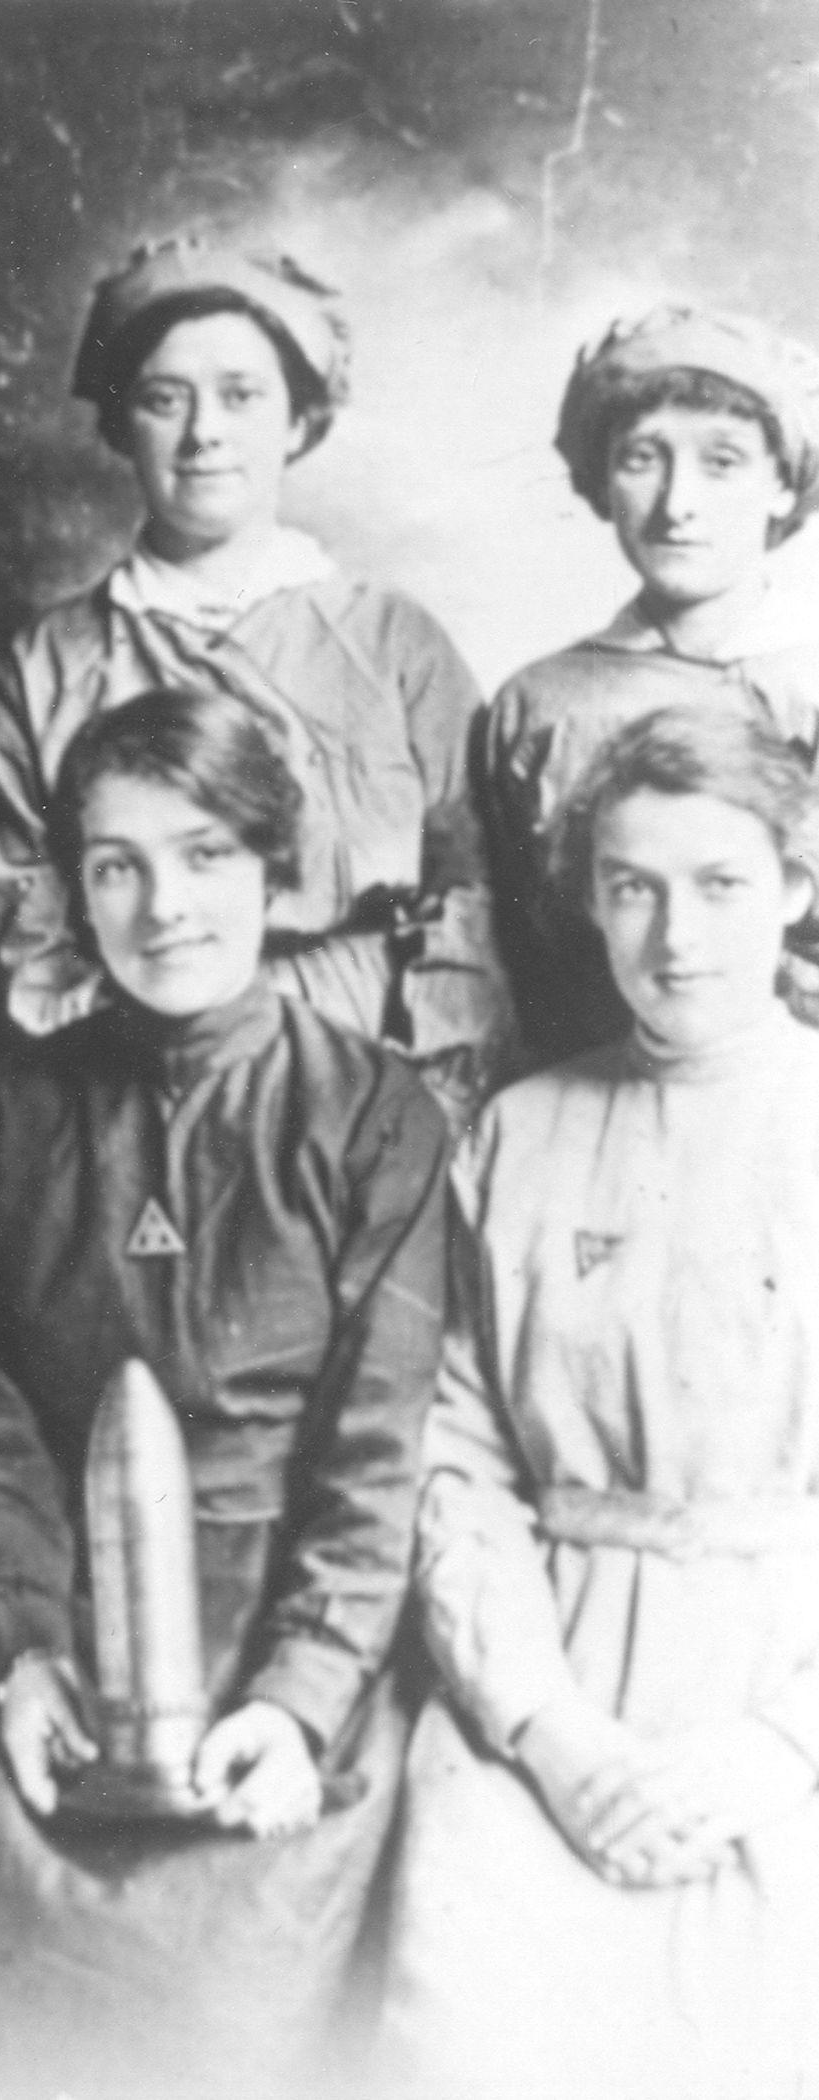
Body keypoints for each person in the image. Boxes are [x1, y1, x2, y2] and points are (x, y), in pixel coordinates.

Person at [0, 688, 449, 2100]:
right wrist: (26, 1657)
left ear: (271, 867)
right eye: (116, 865)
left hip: (305, 1652)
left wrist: (300, 1704)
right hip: (69, 1640)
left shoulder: (374, 1114)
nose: (163, 905)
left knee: (268, 1957)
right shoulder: (2, 1123)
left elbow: (379, 1452)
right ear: (74, 891)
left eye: (204, 855)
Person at [380, 707, 819, 2100]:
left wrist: (776, 1749)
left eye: (719, 885)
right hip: (544, 1693)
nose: (673, 937)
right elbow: (451, 1466)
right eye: (632, 887)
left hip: (777, 1696)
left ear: (798, 889)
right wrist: (552, 1740)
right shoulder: (516, 1129)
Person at [0, 231, 508, 1121]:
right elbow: (22, 923)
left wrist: (424, 1109)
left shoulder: (392, 642)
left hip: (367, 1071)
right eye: (163, 400)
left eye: (240, 396)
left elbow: (472, 899)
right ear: (119, 425)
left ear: (298, 422)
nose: (203, 434)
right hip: (134, 1083)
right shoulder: (48, 663)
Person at [482, 305, 819, 1066]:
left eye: (721, 460)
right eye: (642, 458)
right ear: (601, 480)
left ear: (780, 483)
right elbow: (503, 964)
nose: (677, 505)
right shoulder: (540, 708)